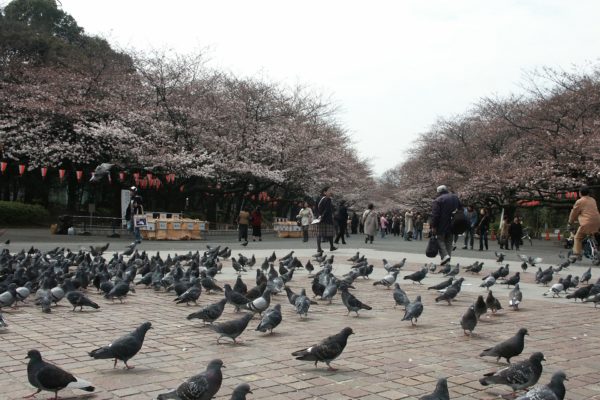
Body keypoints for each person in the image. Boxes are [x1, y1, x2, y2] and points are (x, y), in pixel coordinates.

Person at [430, 185, 462, 265]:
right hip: (452, 224)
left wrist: (433, 226)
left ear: (438, 192)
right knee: (449, 242)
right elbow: (461, 209)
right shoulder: (455, 198)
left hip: (441, 224)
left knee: (440, 240)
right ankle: (447, 260)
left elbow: (435, 215)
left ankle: (445, 256)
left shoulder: (438, 200)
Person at [568, 185, 600, 262]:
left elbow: (574, 212)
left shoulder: (580, 201)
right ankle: (594, 247)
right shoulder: (592, 200)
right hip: (597, 222)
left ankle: (577, 254)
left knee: (577, 238)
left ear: (580, 193)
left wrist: (570, 222)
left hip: (587, 223)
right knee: (592, 234)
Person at [316, 186, 337, 252]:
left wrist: (319, 216)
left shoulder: (319, 199)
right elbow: (327, 210)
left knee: (319, 233)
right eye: (329, 190)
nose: (330, 192)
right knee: (330, 233)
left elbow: (316, 209)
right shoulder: (328, 199)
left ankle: (319, 248)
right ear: (324, 192)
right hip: (327, 219)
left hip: (320, 218)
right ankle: (331, 246)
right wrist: (322, 216)